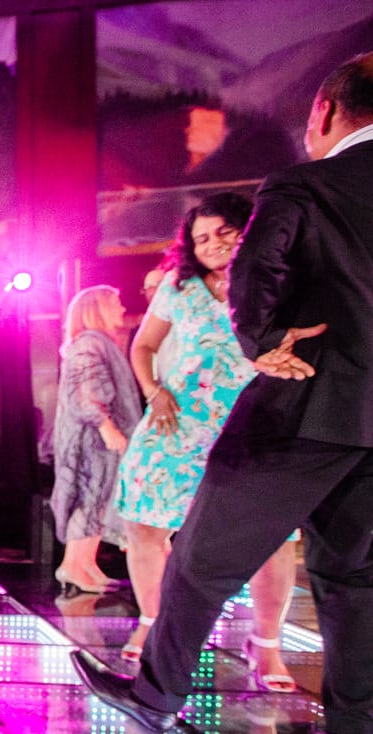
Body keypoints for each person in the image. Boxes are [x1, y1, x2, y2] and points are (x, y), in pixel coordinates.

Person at [75, 51, 373, 734]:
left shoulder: (304, 183)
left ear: (324, 110)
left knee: (201, 558)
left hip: (306, 406)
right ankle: (359, 728)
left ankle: (156, 693)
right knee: (349, 566)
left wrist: (263, 341)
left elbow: (257, 270)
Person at [109, 192, 298, 692]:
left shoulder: (278, 279)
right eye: (201, 237)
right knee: (144, 523)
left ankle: (267, 643)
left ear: (248, 230)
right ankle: (153, 619)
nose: (212, 244)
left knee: (273, 538)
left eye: (224, 232)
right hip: (176, 424)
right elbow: (144, 345)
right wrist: (153, 391)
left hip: (254, 424)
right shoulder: (179, 285)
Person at [49, 285, 142, 595]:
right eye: (114, 303)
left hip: (99, 436)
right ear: (97, 308)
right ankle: (73, 566)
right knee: (89, 499)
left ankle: (85, 564)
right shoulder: (89, 344)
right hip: (91, 438)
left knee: (98, 501)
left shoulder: (98, 343)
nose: (121, 308)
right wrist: (106, 426)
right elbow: (85, 391)